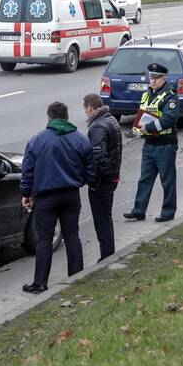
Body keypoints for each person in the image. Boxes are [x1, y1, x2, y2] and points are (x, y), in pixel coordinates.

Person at [19, 102, 94, 294]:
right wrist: (80, 182)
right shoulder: (80, 139)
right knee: (72, 235)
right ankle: (77, 277)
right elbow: (91, 168)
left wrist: (26, 193)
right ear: (67, 117)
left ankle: (40, 283)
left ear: (49, 117)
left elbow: (27, 171)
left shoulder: (37, 141)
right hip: (71, 195)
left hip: (46, 198)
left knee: (44, 239)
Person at [124, 63, 180, 223]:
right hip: (149, 144)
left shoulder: (170, 97)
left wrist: (146, 127)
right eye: (151, 77)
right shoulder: (147, 94)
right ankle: (138, 211)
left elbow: (169, 119)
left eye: (157, 78)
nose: (153, 81)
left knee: (167, 181)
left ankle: (168, 212)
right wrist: (136, 129)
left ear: (164, 78)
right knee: (145, 179)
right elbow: (142, 114)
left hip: (165, 145)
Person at [83, 93, 122, 261]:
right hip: (111, 176)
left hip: (102, 181)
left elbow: (97, 157)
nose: (85, 113)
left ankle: (107, 256)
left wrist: (92, 181)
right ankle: (108, 252)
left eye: (85, 110)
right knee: (106, 217)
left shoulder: (98, 126)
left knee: (102, 220)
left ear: (90, 108)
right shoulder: (111, 120)